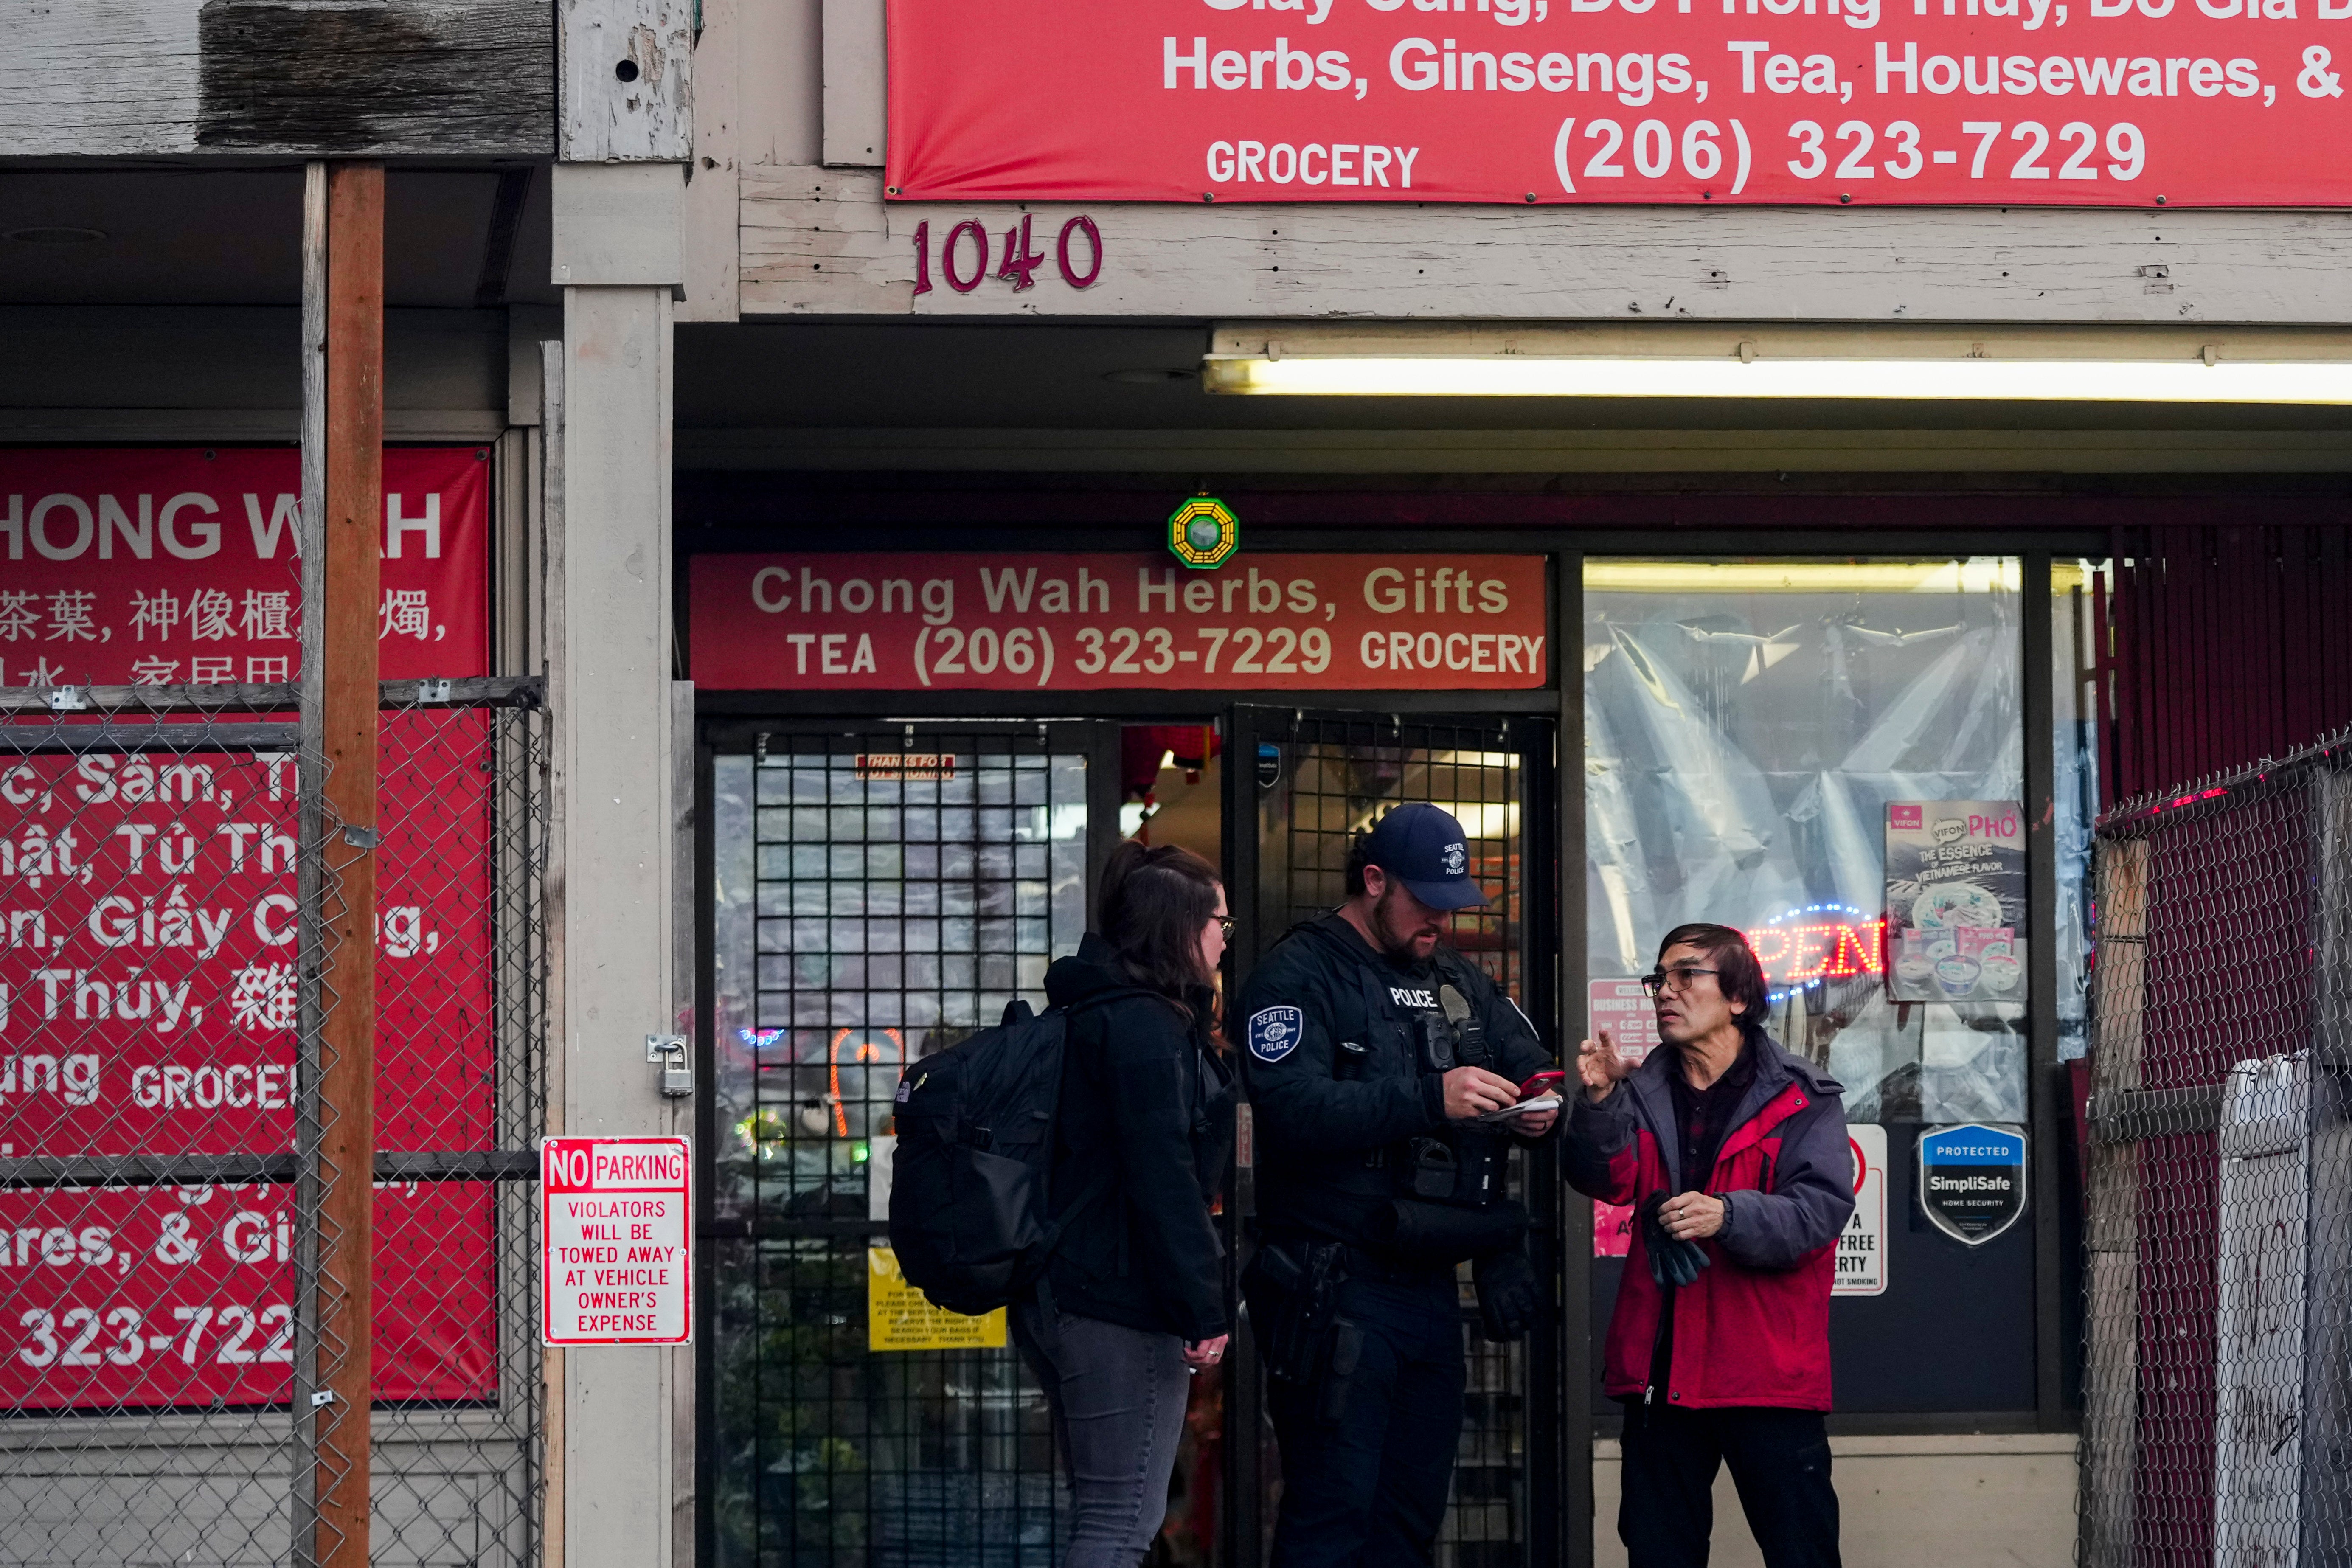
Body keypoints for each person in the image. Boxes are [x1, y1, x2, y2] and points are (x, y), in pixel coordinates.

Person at [1234, 803, 1560, 1568]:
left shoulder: (1455, 980)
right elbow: (1287, 1109)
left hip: (1429, 1283)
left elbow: (1530, 1064)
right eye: (1425, 903)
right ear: (1373, 880)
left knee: (1409, 1517)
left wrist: (1541, 1108)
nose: (1439, 923)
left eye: (1452, 906)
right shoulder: (1299, 972)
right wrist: (1427, 1096)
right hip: (1333, 1283)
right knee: (1331, 1514)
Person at [1567, 923, 1855, 1568]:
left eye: (1685, 975)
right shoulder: (1638, 1090)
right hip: (1659, 1371)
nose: (1664, 991)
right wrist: (1599, 1101)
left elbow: (1818, 1212)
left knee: (1800, 1552)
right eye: (1657, 979)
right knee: (1658, 1552)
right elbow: (1603, 1180)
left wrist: (1726, 1214)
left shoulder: (1802, 1097)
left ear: (1737, 997)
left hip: (1765, 1374)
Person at [1023, 840, 1239, 1568]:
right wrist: (1202, 1307)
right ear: (1180, 927)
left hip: (1066, 1288)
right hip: (1117, 1299)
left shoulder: (1095, 1011)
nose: (1222, 938)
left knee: (1102, 1509)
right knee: (1121, 1522)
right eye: (1219, 922)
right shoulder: (1145, 1029)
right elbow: (1163, 1178)